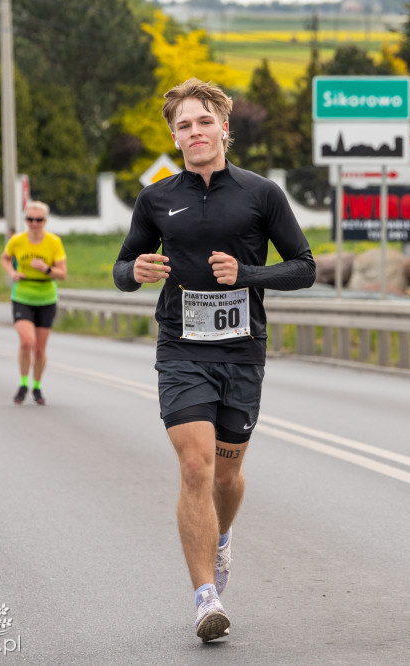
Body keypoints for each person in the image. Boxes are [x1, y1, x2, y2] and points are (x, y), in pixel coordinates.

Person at [112, 77, 315, 643]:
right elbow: (122, 268)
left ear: (224, 129)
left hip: (242, 351)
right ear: (174, 137)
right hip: (181, 347)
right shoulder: (156, 199)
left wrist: (246, 274)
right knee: (196, 465)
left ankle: (221, 539)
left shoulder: (261, 194)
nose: (195, 132)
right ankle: (206, 598)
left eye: (205, 122)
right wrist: (137, 272)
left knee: (227, 474)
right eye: (184, 125)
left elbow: (304, 266)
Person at [0, 201, 67, 406]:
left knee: (39, 349)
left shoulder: (54, 242)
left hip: (46, 297)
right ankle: (23, 383)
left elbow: (62, 274)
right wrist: (12, 272)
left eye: (39, 220)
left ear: (45, 221)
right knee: (26, 342)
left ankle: (37, 386)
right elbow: (5, 258)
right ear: (25, 220)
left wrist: (46, 269)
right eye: (30, 219)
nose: (34, 223)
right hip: (22, 296)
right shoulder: (17, 240)